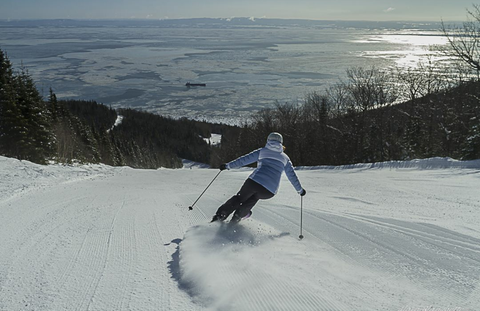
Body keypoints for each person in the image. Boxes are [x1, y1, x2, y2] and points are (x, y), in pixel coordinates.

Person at [211, 132, 306, 223]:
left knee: (239, 199)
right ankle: (236, 219)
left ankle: (220, 216)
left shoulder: (262, 151)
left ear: (268, 140)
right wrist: (300, 190)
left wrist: (228, 166)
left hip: (253, 182)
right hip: (269, 191)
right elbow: (292, 176)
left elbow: (243, 160)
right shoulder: (285, 158)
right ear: (281, 143)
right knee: (253, 199)